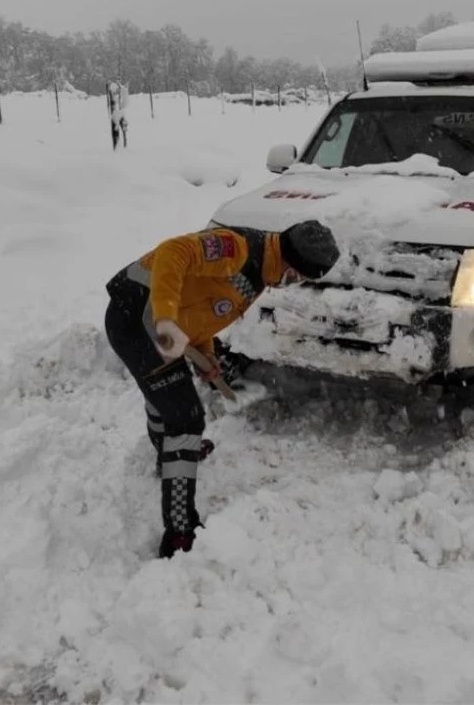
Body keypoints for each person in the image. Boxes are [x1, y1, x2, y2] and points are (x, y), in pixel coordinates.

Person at [104, 220, 340, 558]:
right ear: (290, 262)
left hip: (154, 325)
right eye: (296, 277)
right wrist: (165, 317)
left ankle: (168, 455)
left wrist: (206, 355)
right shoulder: (236, 249)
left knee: (168, 396)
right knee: (186, 419)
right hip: (137, 318)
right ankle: (180, 533)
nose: (291, 284)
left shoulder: (263, 271)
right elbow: (175, 251)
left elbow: (202, 306)